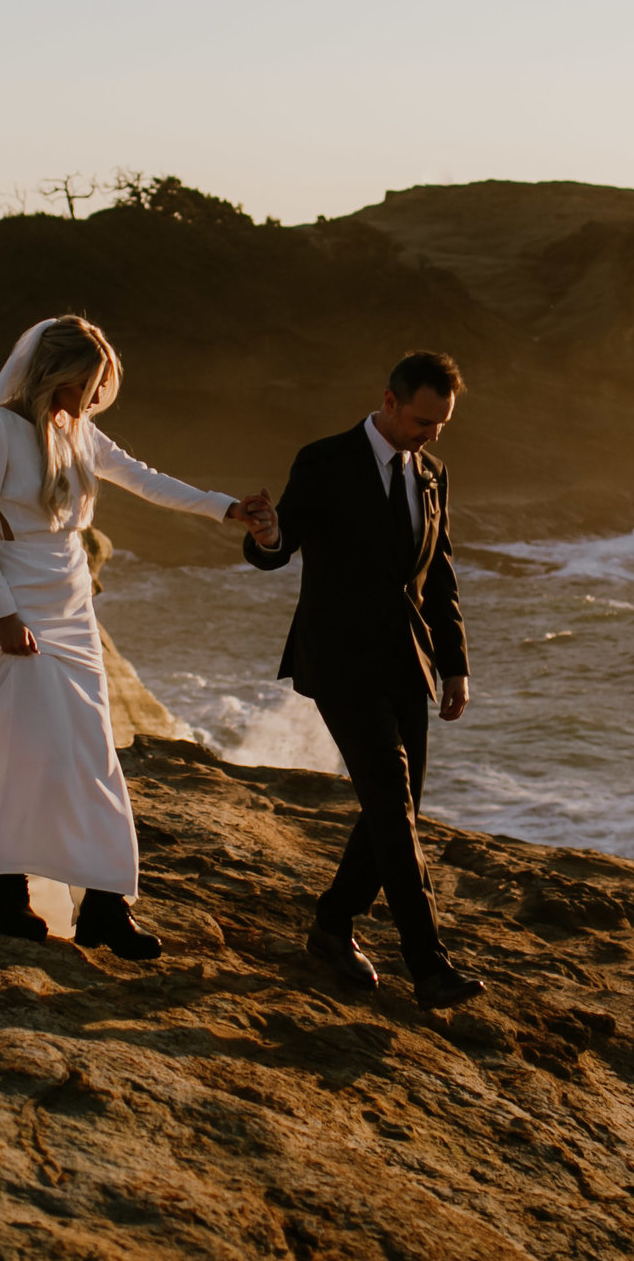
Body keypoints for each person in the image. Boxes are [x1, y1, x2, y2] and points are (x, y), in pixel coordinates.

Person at [0, 315, 269, 960]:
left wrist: (225, 507)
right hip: (20, 603)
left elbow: (144, 478)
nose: (97, 397)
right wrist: (2, 610)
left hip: (71, 600)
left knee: (90, 753)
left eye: (102, 385)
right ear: (55, 374)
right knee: (34, 746)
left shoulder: (79, 433)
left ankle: (101, 905)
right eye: (89, 383)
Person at [242, 350, 483, 1009]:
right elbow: (281, 542)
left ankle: (331, 925)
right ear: (389, 401)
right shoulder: (324, 460)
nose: (432, 433)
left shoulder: (432, 474)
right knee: (391, 805)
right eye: (423, 420)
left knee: (396, 809)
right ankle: (428, 965)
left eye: (442, 424)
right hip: (340, 659)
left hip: (409, 661)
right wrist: (265, 533)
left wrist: (455, 663)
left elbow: (440, 577)